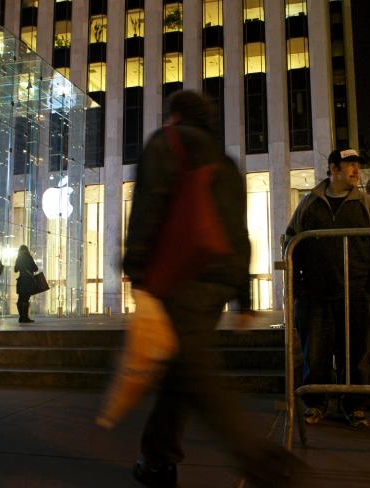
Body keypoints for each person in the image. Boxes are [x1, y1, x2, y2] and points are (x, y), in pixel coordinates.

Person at [123, 90, 305, 488]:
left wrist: (136, 273)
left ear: (175, 116)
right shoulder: (226, 165)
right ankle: (157, 460)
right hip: (217, 282)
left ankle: (265, 465)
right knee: (181, 368)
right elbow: (239, 236)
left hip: (181, 277)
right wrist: (243, 297)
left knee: (198, 375)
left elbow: (147, 209)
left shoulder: (165, 143)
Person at [285, 148, 370, 428]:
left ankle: (355, 406)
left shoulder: (367, 205)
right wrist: (297, 286)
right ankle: (316, 404)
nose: (355, 170)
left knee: (357, 354)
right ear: (333, 169)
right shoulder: (309, 203)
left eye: (357, 164)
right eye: (349, 165)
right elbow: (290, 241)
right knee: (316, 354)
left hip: (357, 293)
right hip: (316, 295)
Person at [14, 245, 38, 323]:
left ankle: (21, 317)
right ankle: (25, 318)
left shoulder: (18, 258)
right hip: (28, 281)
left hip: (21, 281)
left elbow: (15, 269)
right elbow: (35, 268)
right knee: (25, 299)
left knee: (20, 299)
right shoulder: (29, 257)